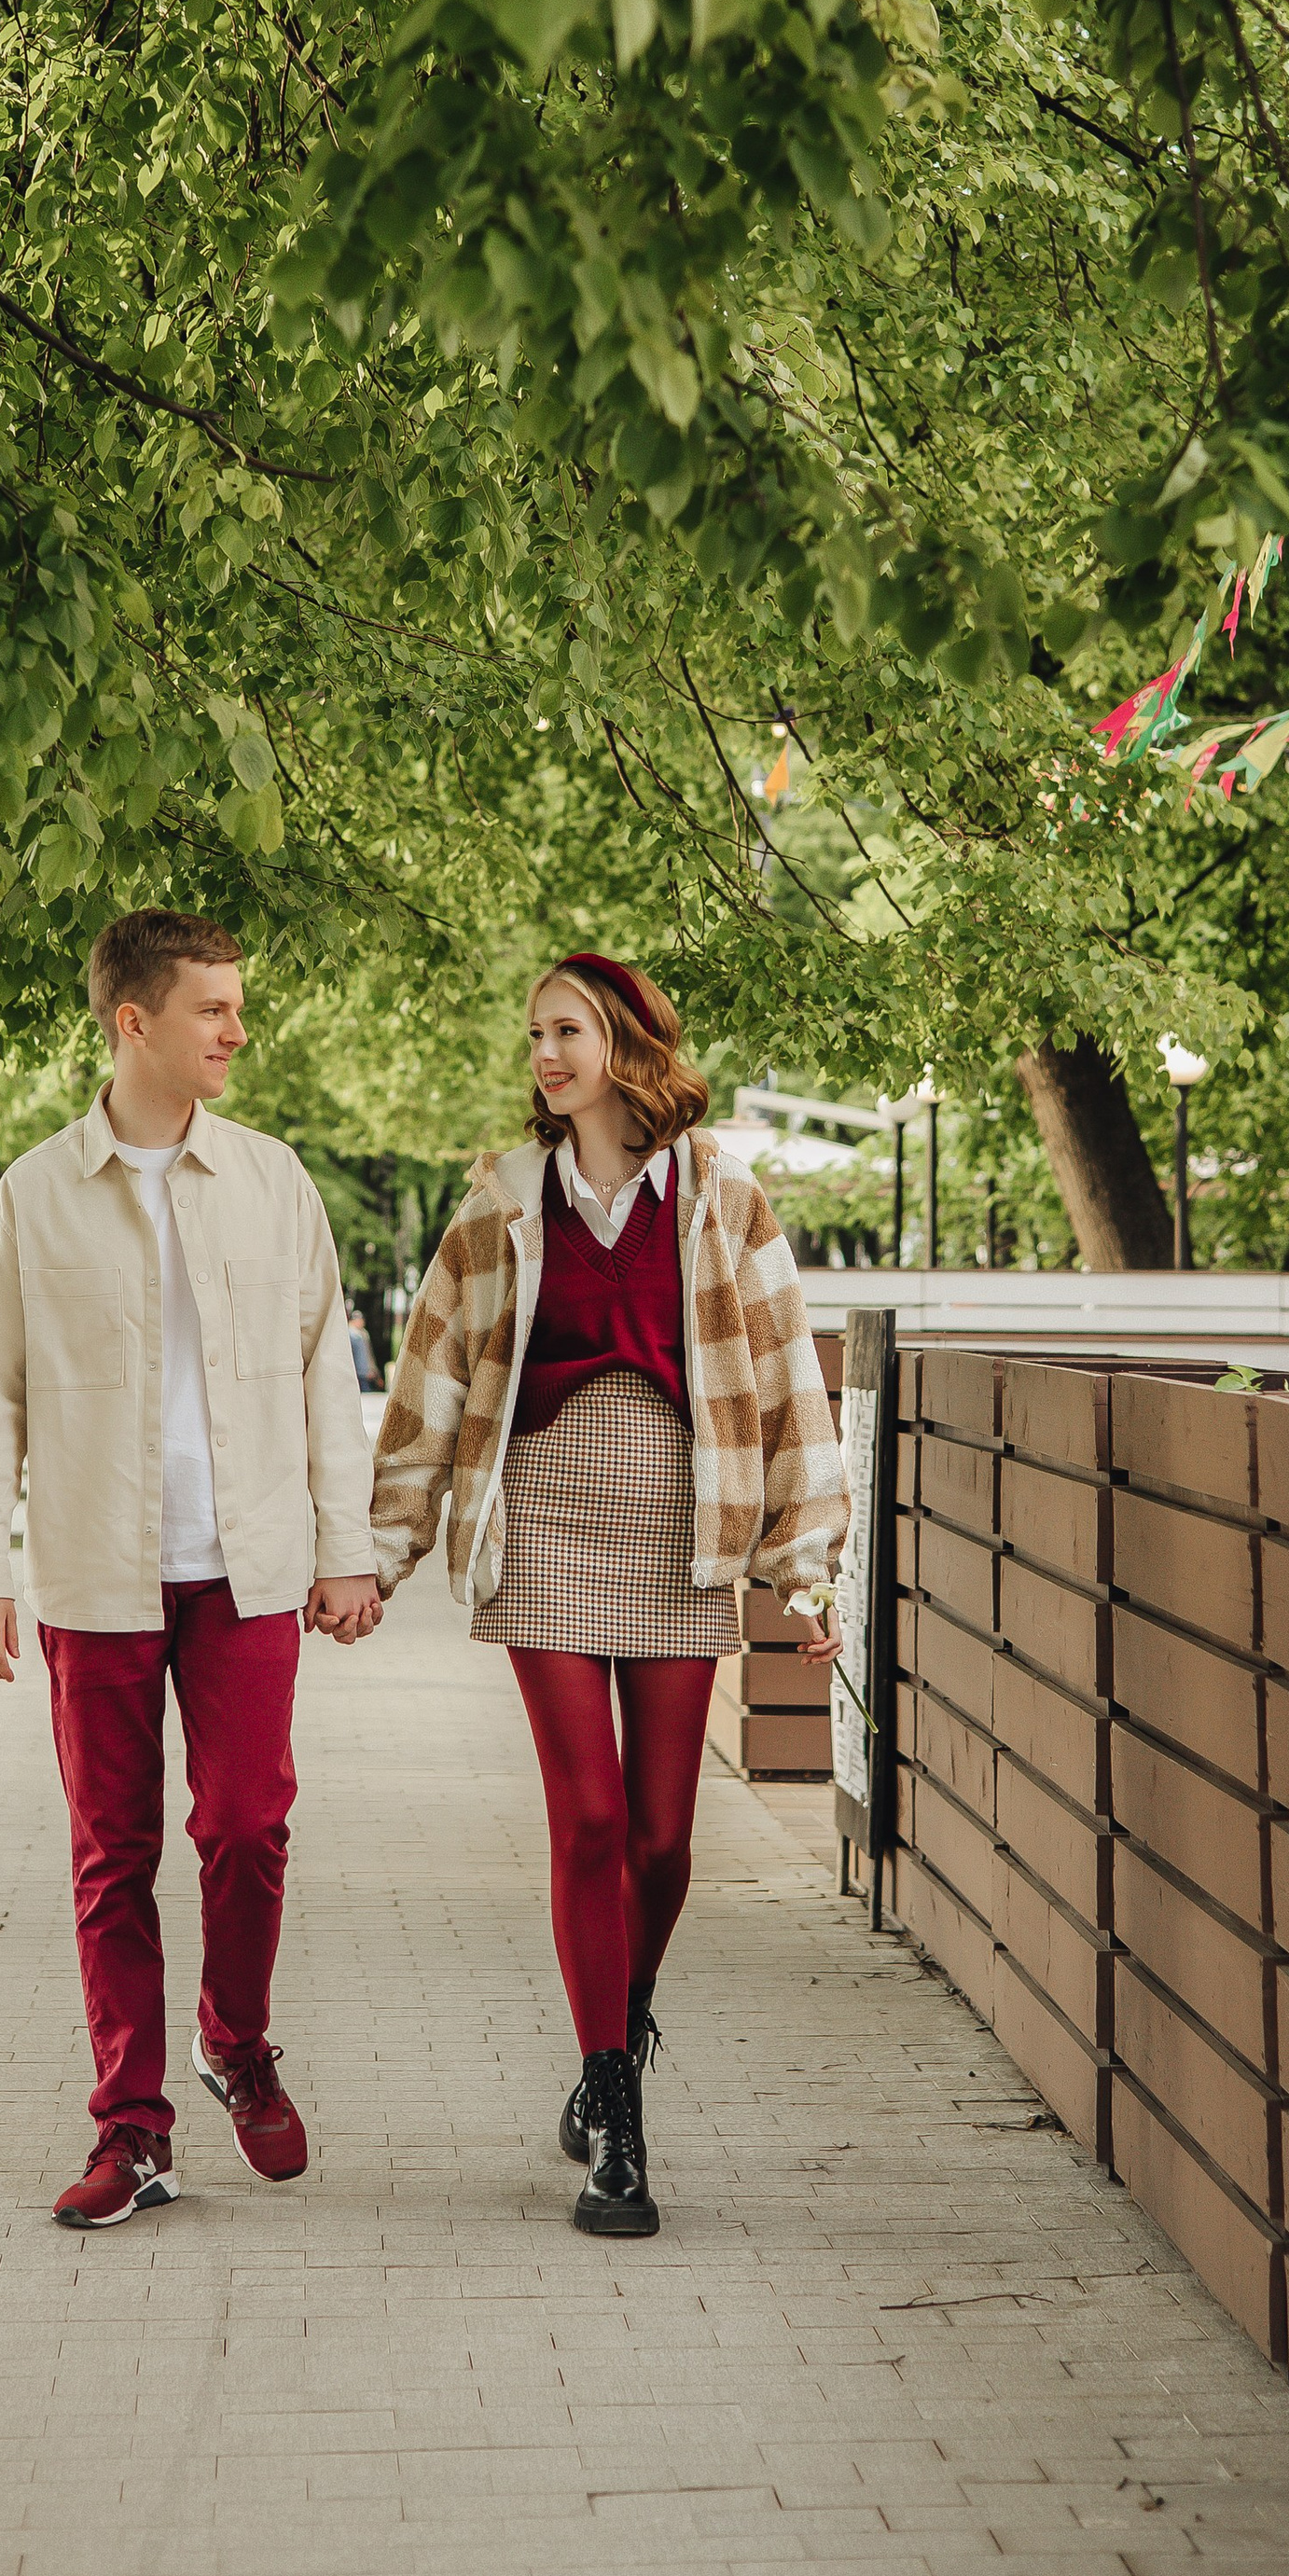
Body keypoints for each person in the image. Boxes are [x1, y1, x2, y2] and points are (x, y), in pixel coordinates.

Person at [370, 953, 848, 2237]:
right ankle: (615, 2116)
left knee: (662, 1840)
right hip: (546, 1528)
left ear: (627, 1042)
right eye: (534, 1033)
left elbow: (789, 1374)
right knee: (585, 1819)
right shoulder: (501, 1205)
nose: (544, 1052)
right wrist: (380, 1551)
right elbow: (429, 1382)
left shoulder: (723, 1200)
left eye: (566, 1029)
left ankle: (617, 2028)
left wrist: (806, 1565)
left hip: (683, 1537)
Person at [0, 907, 384, 2228]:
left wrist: (346, 1547)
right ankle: (132, 2129)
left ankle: (234, 2043)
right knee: (111, 1856)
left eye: (239, 1005)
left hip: (248, 1571)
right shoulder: (33, 1196)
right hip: (96, 1575)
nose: (238, 1030)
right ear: (133, 1021)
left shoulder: (272, 1181)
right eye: (213, 1009)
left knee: (249, 1827)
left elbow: (326, 1372)